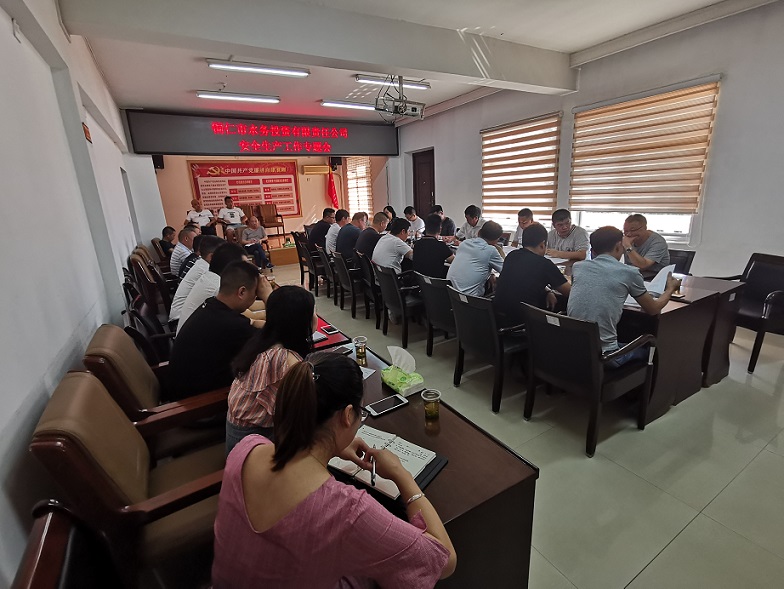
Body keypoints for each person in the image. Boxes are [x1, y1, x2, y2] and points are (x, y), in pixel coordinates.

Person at [212, 352, 457, 589]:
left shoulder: (247, 448)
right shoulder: (347, 511)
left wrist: (333, 447)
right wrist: (402, 475)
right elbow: (444, 561)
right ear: (348, 415)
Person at [568, 226, 680, 367]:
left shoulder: (578, 267)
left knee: (624, 339)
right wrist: (669, 289)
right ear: (618, 246)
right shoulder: (629, 272)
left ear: (593, 250)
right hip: (606, 357)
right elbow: (653, 309)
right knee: (650, 349)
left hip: (574, 348)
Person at [225, 286, 316, 453]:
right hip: (253, 446)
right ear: (301, 321)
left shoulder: (261, 341)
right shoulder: (286, 360)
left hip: (237, 436)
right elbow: (304, 412)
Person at [166, 261, 262, 401]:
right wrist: (268, 296)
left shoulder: (212, 305)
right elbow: (276, 338)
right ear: (241, 292)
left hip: (182, 392)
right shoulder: (231, 324)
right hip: (198, 405)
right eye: (255, 293)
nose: (255, 298)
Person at [177, 243, 271, 333]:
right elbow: (254, 319)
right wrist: (268, 297)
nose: (249, 269)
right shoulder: (216, 289)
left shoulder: (213, 281)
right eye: (245, 266)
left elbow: (251, 319)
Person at [494, 223, 571, 326]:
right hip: (522, 322)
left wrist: (548, 291)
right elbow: (570, 293)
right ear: (542, 244)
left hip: (497, 317)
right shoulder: (544, 264)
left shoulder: (512, 256)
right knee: (562, 304)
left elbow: (524, 279)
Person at [170, 235, 224, 323]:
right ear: (211, 256)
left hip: (183, 316)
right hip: (180, 320)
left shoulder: (200, 263)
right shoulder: (205, 271)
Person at [446, 220, 505, 296]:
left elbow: (471, 265)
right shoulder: (490, 250)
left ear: (479, 232)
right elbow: (506, 271)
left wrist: (490, 273)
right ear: (496, 240)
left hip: (450, 294)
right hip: (469, 299)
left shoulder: (464, 243)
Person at [622, 213, 671, 278]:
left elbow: (643, 265)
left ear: (644, 228)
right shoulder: (625, 238)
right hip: (633, 274)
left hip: (654, 277)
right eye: (626, 231)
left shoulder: (658, 242)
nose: (628, 234)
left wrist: (628, 247)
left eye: (633, 230)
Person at [412, 213, 454, 279]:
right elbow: (454, 261)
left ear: (425, 228)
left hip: (420, 282)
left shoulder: (417, 244)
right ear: (440, 229)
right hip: (436, 283)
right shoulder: (441, 246)